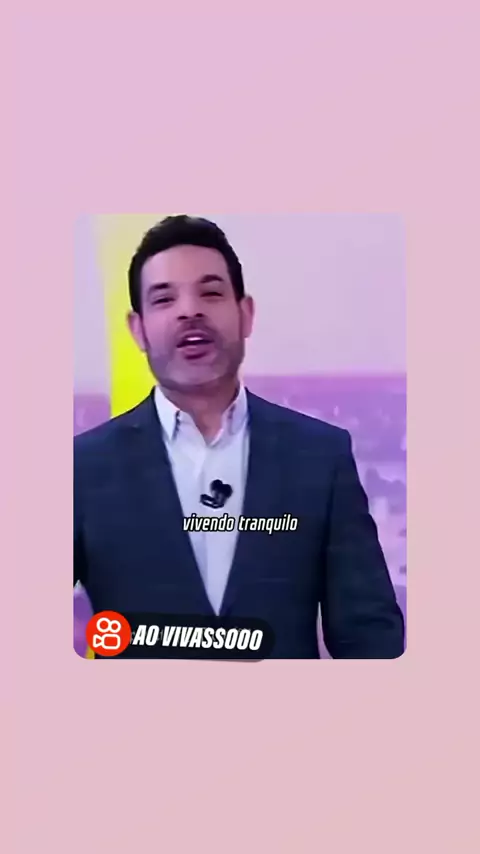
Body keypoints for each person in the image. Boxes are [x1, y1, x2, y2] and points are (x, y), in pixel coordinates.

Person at [74, 215, 404, 659]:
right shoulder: (82, 469)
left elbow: (370, 637)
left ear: (245, 314)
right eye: (165, 299)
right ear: (138, 329)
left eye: (210, 293)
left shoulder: (320, 457)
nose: (190, 311)